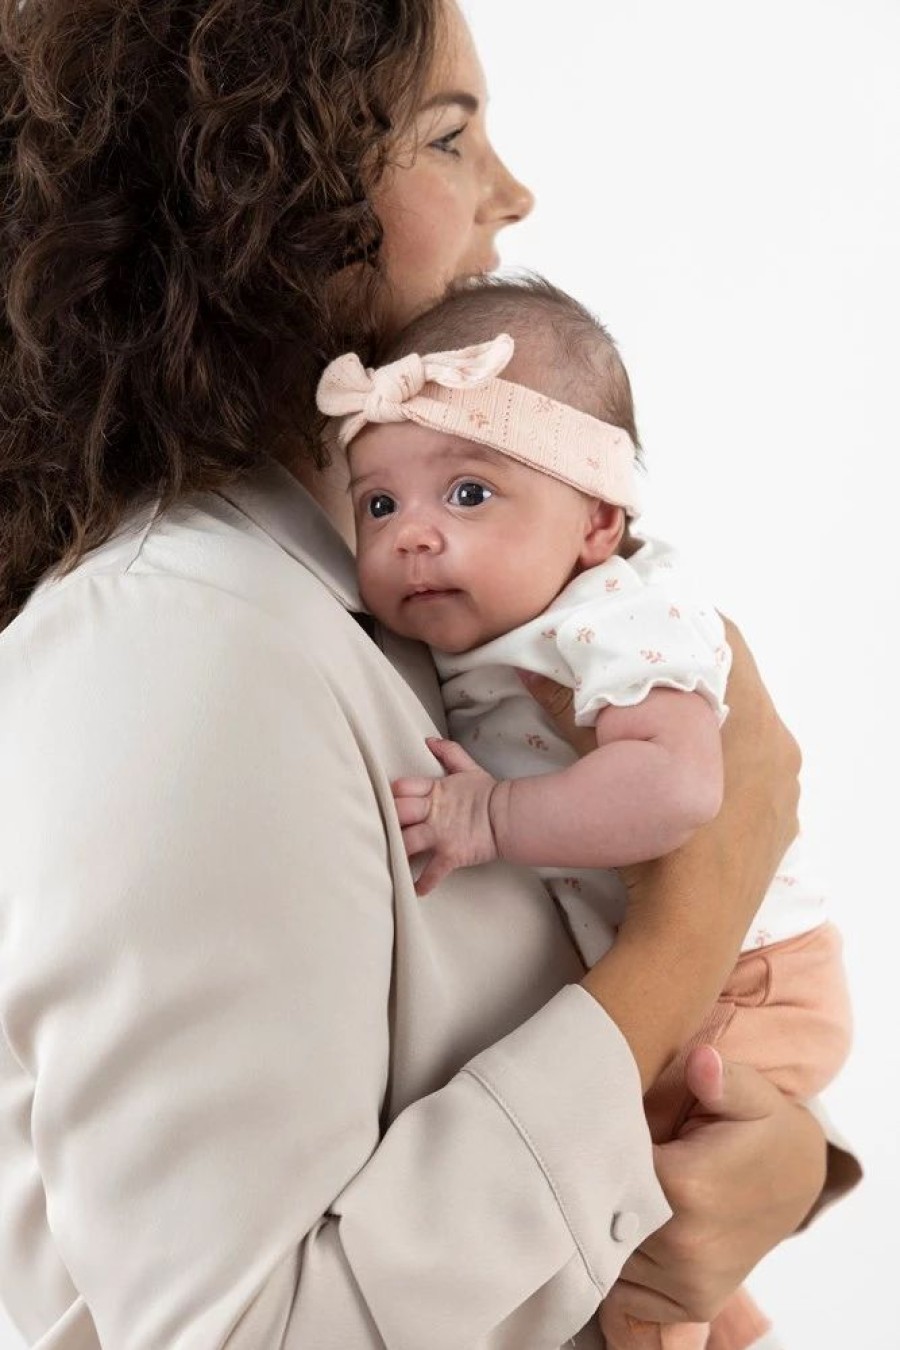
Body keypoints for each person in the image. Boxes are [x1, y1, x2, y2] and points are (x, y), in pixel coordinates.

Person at [0, 2, 858, 1347]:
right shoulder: (182, 647)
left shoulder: (400, 592)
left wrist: (780, 1167)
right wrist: (697, 915)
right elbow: (247, 1328)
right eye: (450, 134)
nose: (513, 194)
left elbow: (488, 1074)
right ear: (253, 194)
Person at [316, 274, 854, 1349]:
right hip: (685, 962)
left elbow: (681, 788)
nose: (415, 535)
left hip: (750, 973)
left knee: (629, 1208)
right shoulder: (469, 625)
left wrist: (493, 821)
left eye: (469, 495)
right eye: (381, 504)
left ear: (599, 522)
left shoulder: (621, 619)